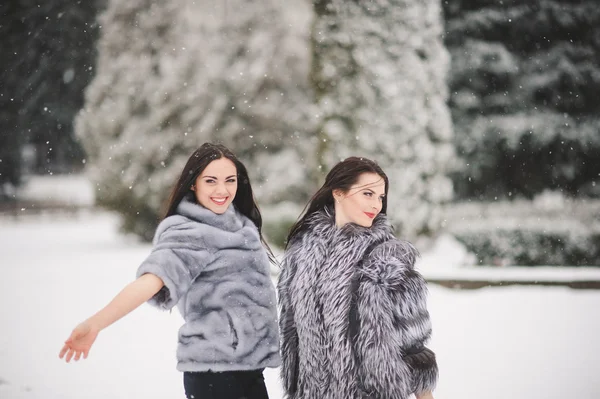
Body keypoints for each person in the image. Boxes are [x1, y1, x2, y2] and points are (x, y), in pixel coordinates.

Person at [59, 143, 281, 399]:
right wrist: (96, 323)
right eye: (211, 181)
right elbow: (152, 279)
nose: (222, 190)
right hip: (215, 373)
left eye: (230, 180)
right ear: (193, 184)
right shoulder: (190, 232)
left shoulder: (241, 226)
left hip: (250, 370)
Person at [278, 156, 438, 399]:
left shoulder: (388, 259)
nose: (376, 204)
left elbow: (415, 349)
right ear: (339, 193)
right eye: (367, 194)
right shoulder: (301, 256)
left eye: (380, 197)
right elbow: (292, 336)